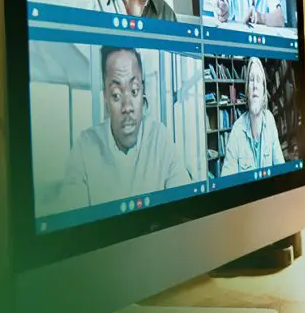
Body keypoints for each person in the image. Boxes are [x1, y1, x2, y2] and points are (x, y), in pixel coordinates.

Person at [43, 47, 193, 215]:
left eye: (134, 91)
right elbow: (73, 225)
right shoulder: (84, 148)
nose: (127, 107)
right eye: (116, 95)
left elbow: (185, 208)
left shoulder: (160, 138)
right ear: (105, 97)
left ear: (143, 91)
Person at [221, 57, 284, 176]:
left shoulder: (270, 120)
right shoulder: (237, 130)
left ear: (264, 91)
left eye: (259, 80)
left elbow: (280, 167)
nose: (255, 85)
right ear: (247, 91)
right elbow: (227, 180)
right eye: (251, 80)